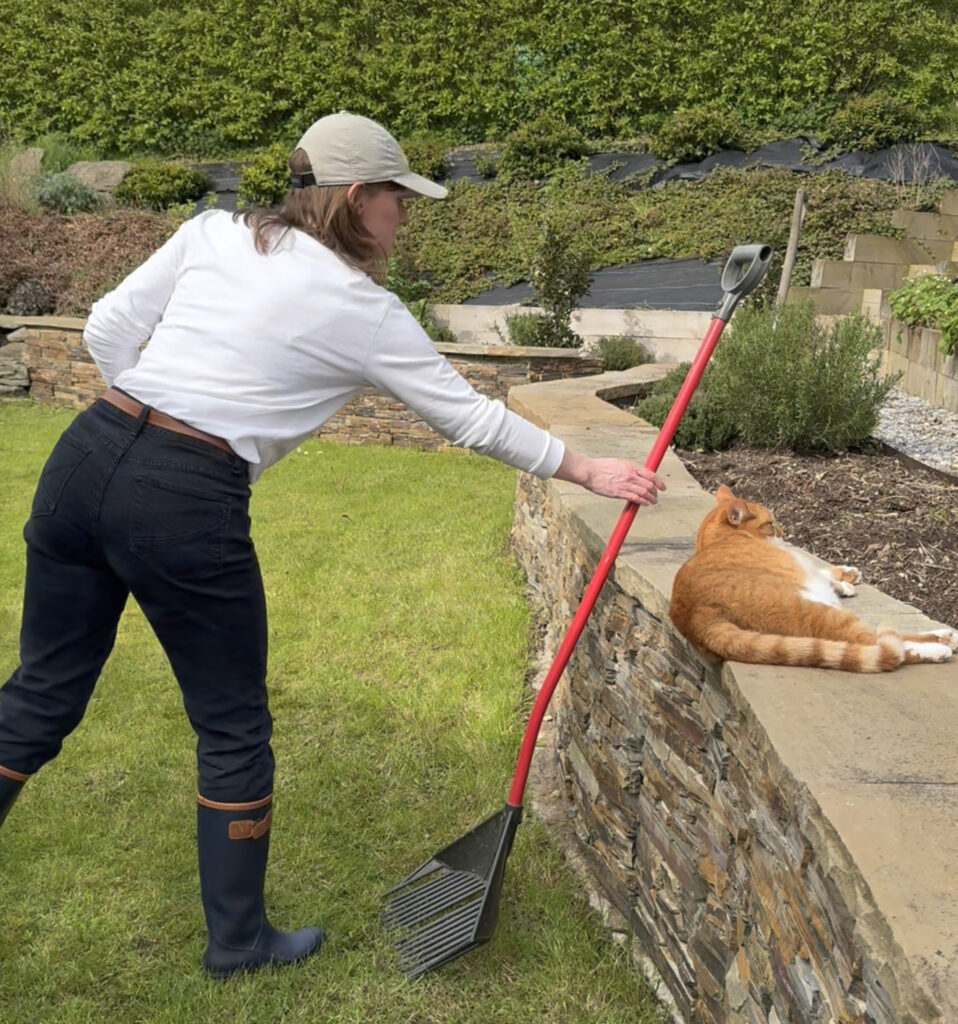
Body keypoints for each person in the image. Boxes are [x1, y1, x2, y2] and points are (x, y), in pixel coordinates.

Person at [0, 112, 665, 978]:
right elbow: (467, 417)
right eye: (397, 198)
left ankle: (238, 934)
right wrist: (586, 468)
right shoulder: (363, 309)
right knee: (232, 722)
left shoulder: (212, 232)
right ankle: (238, 942)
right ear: (357, 198)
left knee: (42, 689)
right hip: (185, 495)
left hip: (84, 455)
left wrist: (150, 410)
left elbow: (104, 328)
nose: (404, 216)